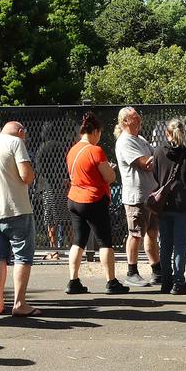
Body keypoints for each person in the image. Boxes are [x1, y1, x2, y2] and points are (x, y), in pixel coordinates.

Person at [0, 122, 40, 316]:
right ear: (20, 132)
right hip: (17, 208)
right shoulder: (15, 143)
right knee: (22, 257)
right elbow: (26, 176)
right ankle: (19, 303)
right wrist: (32, 173)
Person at [65, 112, 126, 295]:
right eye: (99, 134)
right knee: (105, 241)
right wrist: (112, 170)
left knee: (78, 241)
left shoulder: (72, 150)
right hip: (93, 200)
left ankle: (73, 281)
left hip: (74, 199)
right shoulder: (95, 150)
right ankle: (111, 282)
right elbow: (109, 177)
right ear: (95, 131)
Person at [152, 117, 186, 294]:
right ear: (183, 134)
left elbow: (155, 177)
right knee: (180, 244)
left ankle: (166, 281)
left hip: (164, 204)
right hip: (183, 204)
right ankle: (179, 281)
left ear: (167, 133)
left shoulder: (158, 152)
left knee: (165, 244)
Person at [115, 107, 161, 286]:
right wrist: (154, 158)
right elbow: (145, 164)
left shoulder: (140, 139)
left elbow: (153, 156)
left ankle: (157, 270)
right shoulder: (125, 142)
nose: (139, 119)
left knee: (152, 232)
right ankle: (131, 272)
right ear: (125, 121)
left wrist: (155, 157)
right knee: (135, 234)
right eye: (135, 117)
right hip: (137, 196)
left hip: (150, 195)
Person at [34, 121, 71, 259]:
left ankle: (53, 249)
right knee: (66, 220)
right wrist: (64, 179)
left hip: (48, 188)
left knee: (51, 221)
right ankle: (72, 246)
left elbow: (39, 169)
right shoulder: (62, 147)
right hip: (63, 187)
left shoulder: (42, 148)